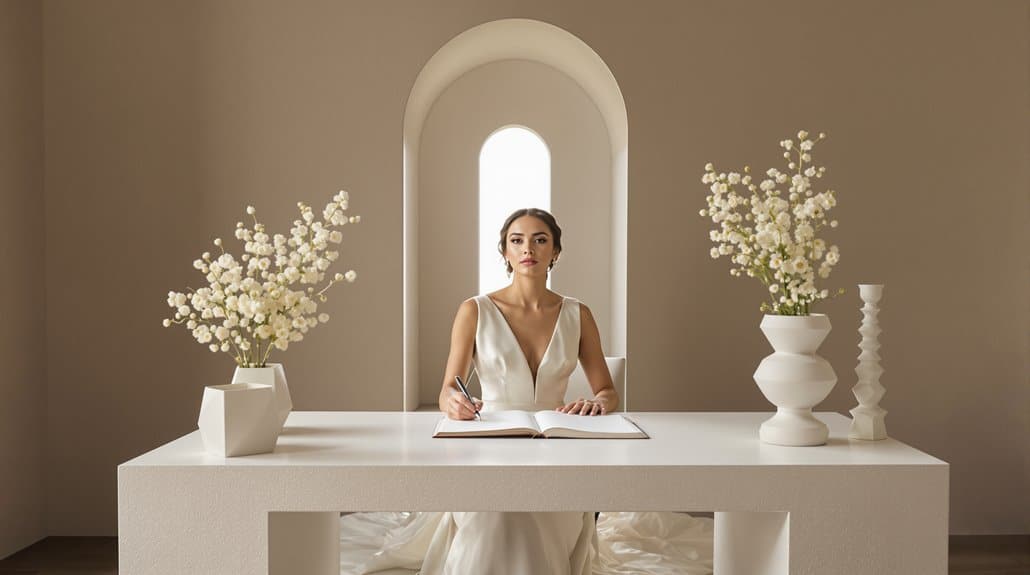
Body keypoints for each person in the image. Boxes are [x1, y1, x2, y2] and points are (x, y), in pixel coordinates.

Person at [359, 208, 619, 575]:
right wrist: (454, 403)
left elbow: (607, 390)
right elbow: (447, 389)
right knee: (499, 513)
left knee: (540, 514)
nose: (528, 248)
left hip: (557, 449)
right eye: (517, 240)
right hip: (489, 445)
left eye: (540, 239)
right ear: (505, 252)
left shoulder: (579, 314)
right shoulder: (475, 310)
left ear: (556, 251)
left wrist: (596, 403)